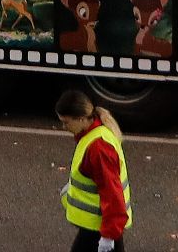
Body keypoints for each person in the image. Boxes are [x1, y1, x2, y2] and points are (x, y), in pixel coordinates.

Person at [55, 89, 131, 252]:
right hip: (101, 225)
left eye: (66, 122)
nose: (63, 127)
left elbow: (112, 194)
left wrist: (108, 236)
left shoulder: (98, 148)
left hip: (100, 227)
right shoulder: (98, 134)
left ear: (81, 119)